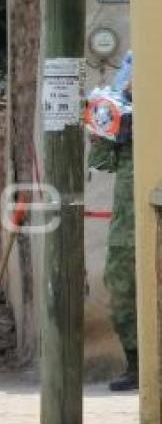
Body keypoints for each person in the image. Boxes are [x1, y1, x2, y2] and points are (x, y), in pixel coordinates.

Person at [89, 53, 136, 391]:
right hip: (128, 228)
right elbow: (104, 163)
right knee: (121, 289)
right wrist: (101, 129)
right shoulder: (126, 116)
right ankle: (137, 365)